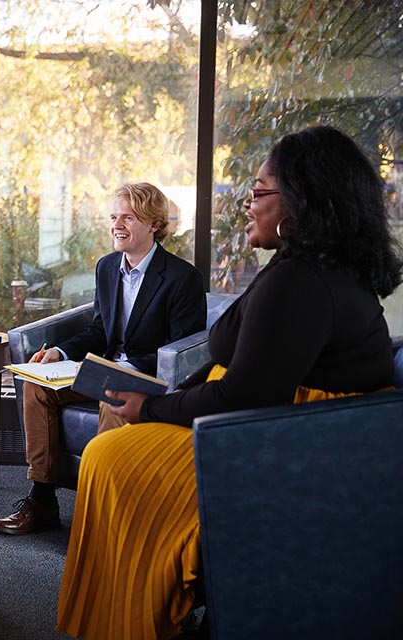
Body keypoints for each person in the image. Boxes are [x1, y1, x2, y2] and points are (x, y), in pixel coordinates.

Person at [56, 125, 403, 639]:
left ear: (297, 203)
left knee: (110, 460)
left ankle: (133, 620)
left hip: (277, 436)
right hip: (266, 421)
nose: (246, 202)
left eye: (259, 190)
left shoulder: (301, 280)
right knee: (114, 451)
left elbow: (247, 392)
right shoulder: (304, 266)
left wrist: (150, 408)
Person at [0, 182, 207, 536]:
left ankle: (102, 511)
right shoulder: (107, 268)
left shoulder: (183, 278)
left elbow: (180, 350)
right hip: (103, 371)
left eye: (128, 217)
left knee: (114, 396)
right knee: (35, 384)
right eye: (113, 217)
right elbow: (99, 332)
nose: (116, 226)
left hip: (144, 380)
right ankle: (42, 499)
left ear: (154, 223)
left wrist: (122, 368)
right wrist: (59, 353)